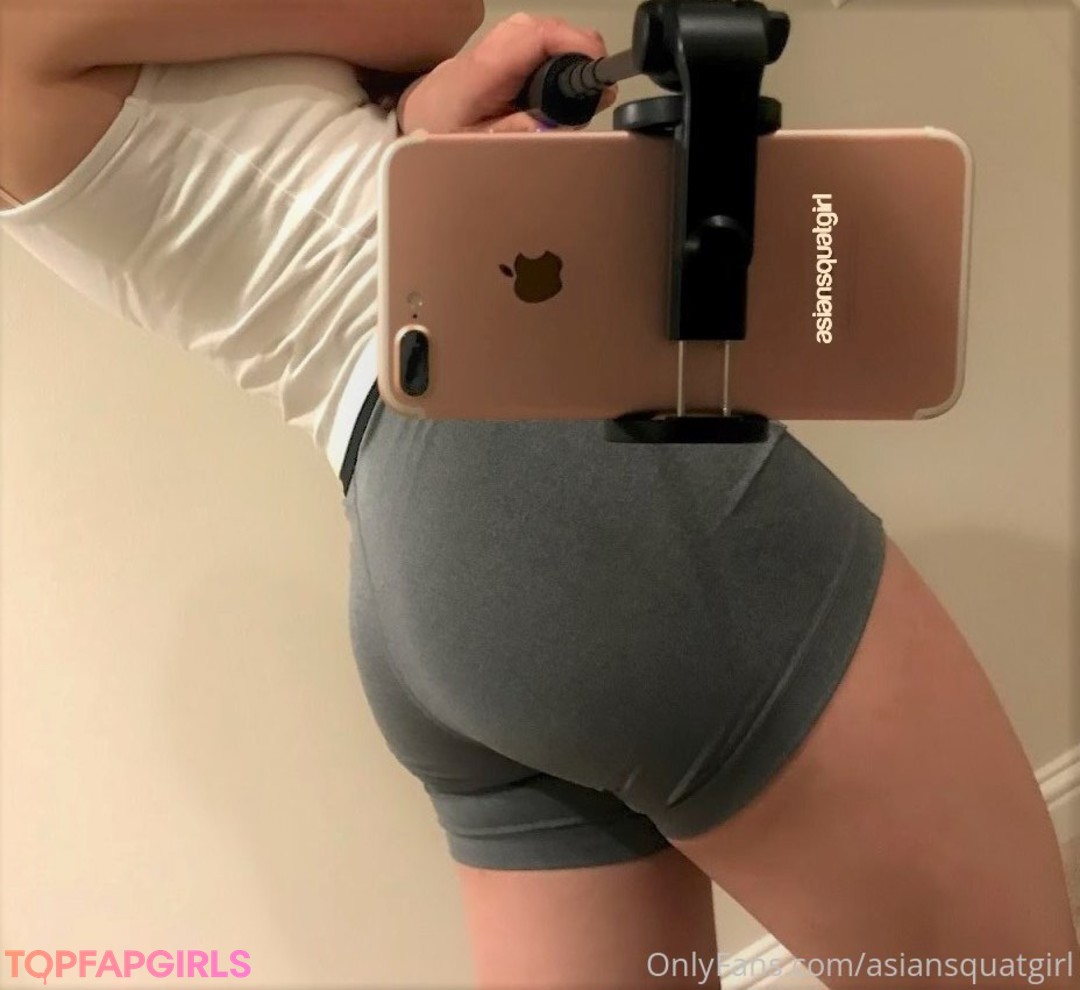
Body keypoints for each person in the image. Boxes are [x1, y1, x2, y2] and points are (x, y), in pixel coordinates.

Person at [1, 4, 1077, 988]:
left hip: (412, 557)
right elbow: (429, 11)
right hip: (552, 456)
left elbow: (257, 180)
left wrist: (413, 124)